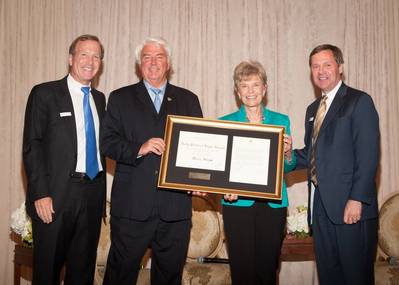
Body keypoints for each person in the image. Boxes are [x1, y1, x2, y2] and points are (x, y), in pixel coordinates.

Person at [101, 37, 203, 285]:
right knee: (120, 274)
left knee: (169, 277)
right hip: (132, 207)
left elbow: (200, 147)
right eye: (147, 57)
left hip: (175, 208)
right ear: (139, 65)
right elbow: (107, 143)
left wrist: (199, 179)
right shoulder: (119, 97)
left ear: (168, 63)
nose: (153, 62)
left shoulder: (188, 99)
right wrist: (140, 148)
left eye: (159, 57)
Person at [22, 34, 106, 285]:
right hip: (56, 196)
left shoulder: (100, 100)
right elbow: (32, 146)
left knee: (82, 273)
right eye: (84, 54)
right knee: (47, 272)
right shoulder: (45, 93)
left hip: (92, 196)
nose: (90, 61)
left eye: (96, 56)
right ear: (71, 59)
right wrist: (40, 193)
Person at [294, 44, 379, 285]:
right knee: (329, 276)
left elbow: (369, 155)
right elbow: (311, 155)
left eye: (327, 65)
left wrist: (357, 199)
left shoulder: (359, 101)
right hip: (320, 207)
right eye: (315, 66)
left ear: (339, 68)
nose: (321, 71)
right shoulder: (313, 109)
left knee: (355, 277)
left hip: (351, 208)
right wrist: (282, 155)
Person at [220, 60, 296, 285]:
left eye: (256, 85)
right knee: (242, 270)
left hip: (272, 206)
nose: (250, 91)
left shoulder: (281, 121)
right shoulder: (226, 122)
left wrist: (289, 154)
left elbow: (288, 168)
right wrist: (224, 189)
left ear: (265, 88)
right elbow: (221, 169)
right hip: (238, 205)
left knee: (268, 269)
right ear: (237, 91)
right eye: (244, 86)